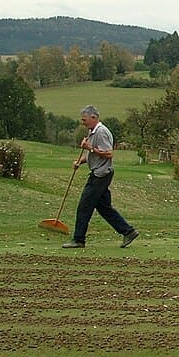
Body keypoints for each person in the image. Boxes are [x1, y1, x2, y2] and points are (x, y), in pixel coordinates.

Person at [61, 105, 139, 250]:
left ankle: (79, 239)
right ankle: (128, 231)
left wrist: (89, 148)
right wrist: (81, 161)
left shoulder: (101, 132)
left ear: (93, 117)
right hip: (100, 172)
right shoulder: (92, 132)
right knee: (104, 208)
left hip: (100, 175)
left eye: (84, 119)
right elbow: (94, 154)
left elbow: (108, 153)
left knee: (84, 206)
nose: (82, 122)